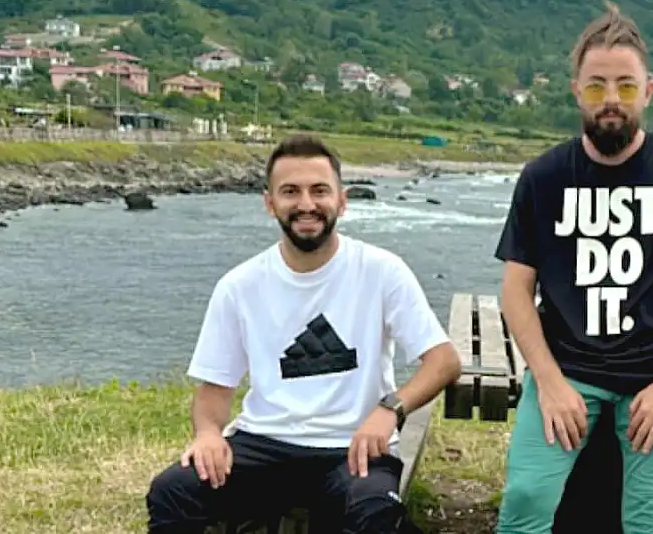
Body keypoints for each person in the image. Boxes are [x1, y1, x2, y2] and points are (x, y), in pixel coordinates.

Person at [145, 134, 461, 534]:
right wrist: (208, 434)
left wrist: (389, 410)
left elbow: (443, 361)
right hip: (264, 443)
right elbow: (215, 390)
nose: (306, 204)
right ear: (269, 203)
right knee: (172, 491)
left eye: (319, 190)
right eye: (291, 191)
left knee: (375, 515)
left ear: (342, 201)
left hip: (352, 447)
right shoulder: (239, 286)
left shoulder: (382, 271)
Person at [494, 1, 653, 534]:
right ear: (576, 91)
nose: (612, 100)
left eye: (626, 85)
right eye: (597, 87)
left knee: (651, 519)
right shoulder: (543, 177)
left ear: (649, 91)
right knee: (526, 501)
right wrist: (548, 382)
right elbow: (515, 291)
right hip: (566, 367)